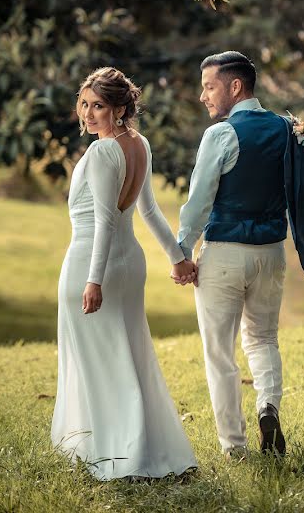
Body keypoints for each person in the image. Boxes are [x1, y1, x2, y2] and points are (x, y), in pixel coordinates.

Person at [51, 67, 198, 480]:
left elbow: (104, 222)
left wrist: (93, 281)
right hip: (131, 264)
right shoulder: (139, 144)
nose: (88, 113)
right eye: (84, 104)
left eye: (98, 106)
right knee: (128, 357)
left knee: (101, 362)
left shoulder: (102, 152)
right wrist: (177, 258)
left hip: (92, 262)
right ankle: (140, 445)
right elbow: (148, 211)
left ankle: (117, 452)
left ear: (119, 109)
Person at [176, 51, 289, 459]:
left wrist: (181, 252)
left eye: (209, 86)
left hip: (224, 253)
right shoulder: (286, 129)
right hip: (272, 254)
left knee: (219, 352)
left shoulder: (221, 135)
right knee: (263, 338)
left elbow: (199, 201)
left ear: (234, 86)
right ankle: (268, 407)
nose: (203, 96)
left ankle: (234, 447)